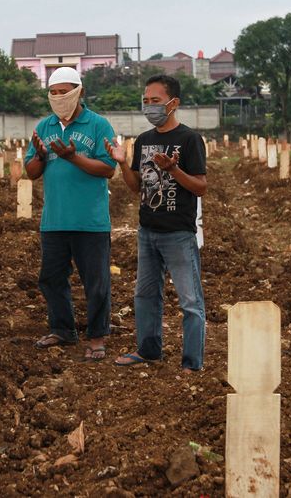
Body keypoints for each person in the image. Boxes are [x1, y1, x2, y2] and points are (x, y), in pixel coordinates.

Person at [104, 74, 207, 373]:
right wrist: (123, 162)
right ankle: (148, 351)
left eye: (156, 101)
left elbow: (200, 187)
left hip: (178, 233)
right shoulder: (145, 141)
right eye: (146, 101)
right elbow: (136, 187)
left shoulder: (189, 139)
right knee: (145, 294)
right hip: (147, 230)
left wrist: (173, 169)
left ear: (173, 103)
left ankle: (192, 363)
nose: (149, 107)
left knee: (190, 300)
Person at [24, 67, 117, 361]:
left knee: (96, 282)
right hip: (54, 220)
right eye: (53, 92)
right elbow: (32, 172)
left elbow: (109, 168)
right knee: (51, 279)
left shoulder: (98, 125)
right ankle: (62, 328)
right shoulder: (44, 127)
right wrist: (40, 156)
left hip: (90, 221)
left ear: (80, 92)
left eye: (65, 92)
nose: (59, 97)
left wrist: (73, 157)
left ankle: (97, 336)